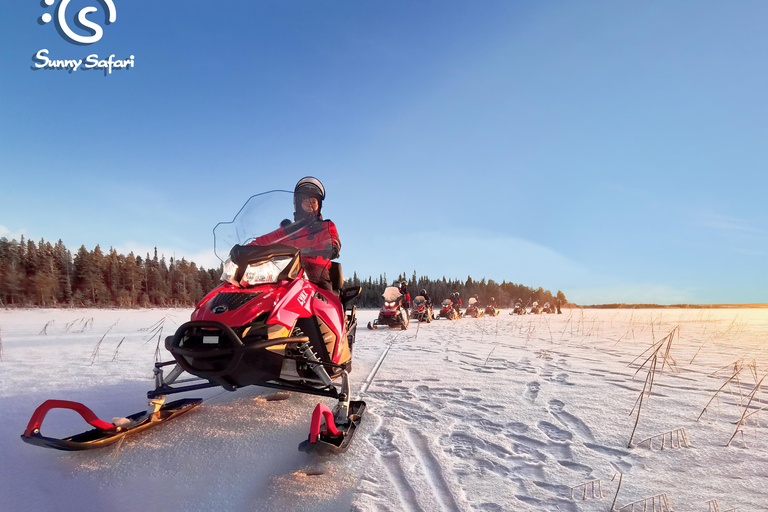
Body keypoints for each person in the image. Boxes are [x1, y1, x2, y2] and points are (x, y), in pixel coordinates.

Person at [247, 177, 341, 293]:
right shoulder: (288, 230)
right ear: (298, 204)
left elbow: (331, 237)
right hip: (285, 271)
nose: (310, 204)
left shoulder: (325, 226)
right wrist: (248, 247)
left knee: (326, 298)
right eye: (306, 201)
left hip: (315, 272)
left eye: (314, 201)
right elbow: (267, 239)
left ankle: (330, 309)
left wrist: (331, 246)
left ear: (319, 205)